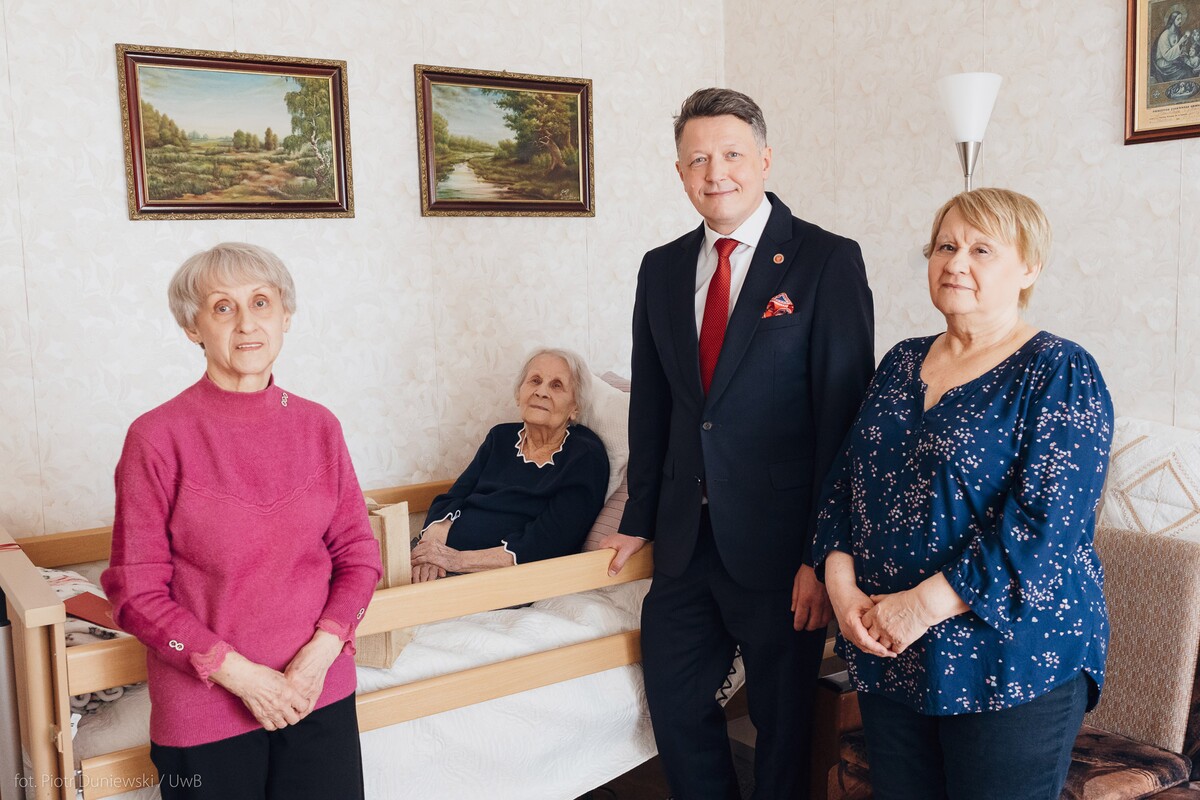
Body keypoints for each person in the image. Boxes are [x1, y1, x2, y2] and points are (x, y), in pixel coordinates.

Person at [601, 88, 875, 799]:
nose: (714, 172)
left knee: (784, 730)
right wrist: (638, 517)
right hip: (685, 540)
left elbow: (844, 422)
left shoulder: (825, 260)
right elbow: (654, 404)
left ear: (764, 159)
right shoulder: (661, 267)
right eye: (697, 160)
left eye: (730, 154)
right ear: (679, 172)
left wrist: (823, 555)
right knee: (676, 706)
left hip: (784, 548)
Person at [814, 188, 1114, 800]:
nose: (956, 263)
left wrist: (918, 608)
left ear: (1028, 268)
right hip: (887, 647)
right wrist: (842, 592)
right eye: (945, 246)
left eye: (982, 250)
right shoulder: (900, 362)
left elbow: (1046, 531)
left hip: (1008, 658)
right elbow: (844, 484)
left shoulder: (1059, 370)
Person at [101, 243, 382, 800]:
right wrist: (244, 677)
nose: (247, 323)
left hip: (317, 693)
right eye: (223, 307)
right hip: (205, 712)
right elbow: (136, 594)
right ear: (193, 328)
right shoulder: (156, 437)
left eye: (261, 302)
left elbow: (359, 555)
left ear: (285, 316)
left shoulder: (320, 426)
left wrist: (320, 655)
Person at [410, 348, 609, 582]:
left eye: (556, 385)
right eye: (535, 380)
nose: (541, 392)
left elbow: (549, 542)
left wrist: (457, 560)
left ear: (575, 407)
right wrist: (430, 548)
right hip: (438, 559)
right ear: (518, 393)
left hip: (500, 577)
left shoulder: (584, 455)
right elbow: (453, 497)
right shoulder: (500, 438)